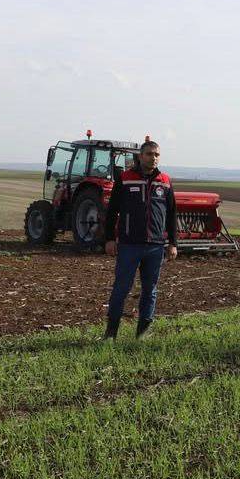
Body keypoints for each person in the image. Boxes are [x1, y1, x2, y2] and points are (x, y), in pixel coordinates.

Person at [101, 140, 178, 340]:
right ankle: (111, 333)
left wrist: (173, 243)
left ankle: (142, 333)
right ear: (140, 156)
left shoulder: (165, 181)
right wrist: (110, 238)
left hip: (155, 246)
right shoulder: (125, 178)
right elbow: (112, 212)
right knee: (121, 288)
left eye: (157, 155)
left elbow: (171, 214)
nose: (154, 158)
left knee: (150, 290)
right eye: (149, 154)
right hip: (129, 245)